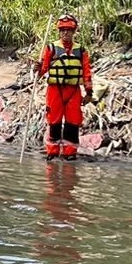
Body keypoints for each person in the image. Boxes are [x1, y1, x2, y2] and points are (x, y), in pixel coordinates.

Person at [37, 13, 93, 160]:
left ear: (74, 31)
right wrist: (37, 69)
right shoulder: (51, 49)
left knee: (73, 123)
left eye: (68, 30)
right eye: (62, 30)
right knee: (54, 122)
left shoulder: (81, 51)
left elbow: (86, 72)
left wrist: (89, 92)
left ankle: (70, 153)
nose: (65, 33)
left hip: (73, 91)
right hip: (55, 91)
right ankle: (53, 153)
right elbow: (43, 70)